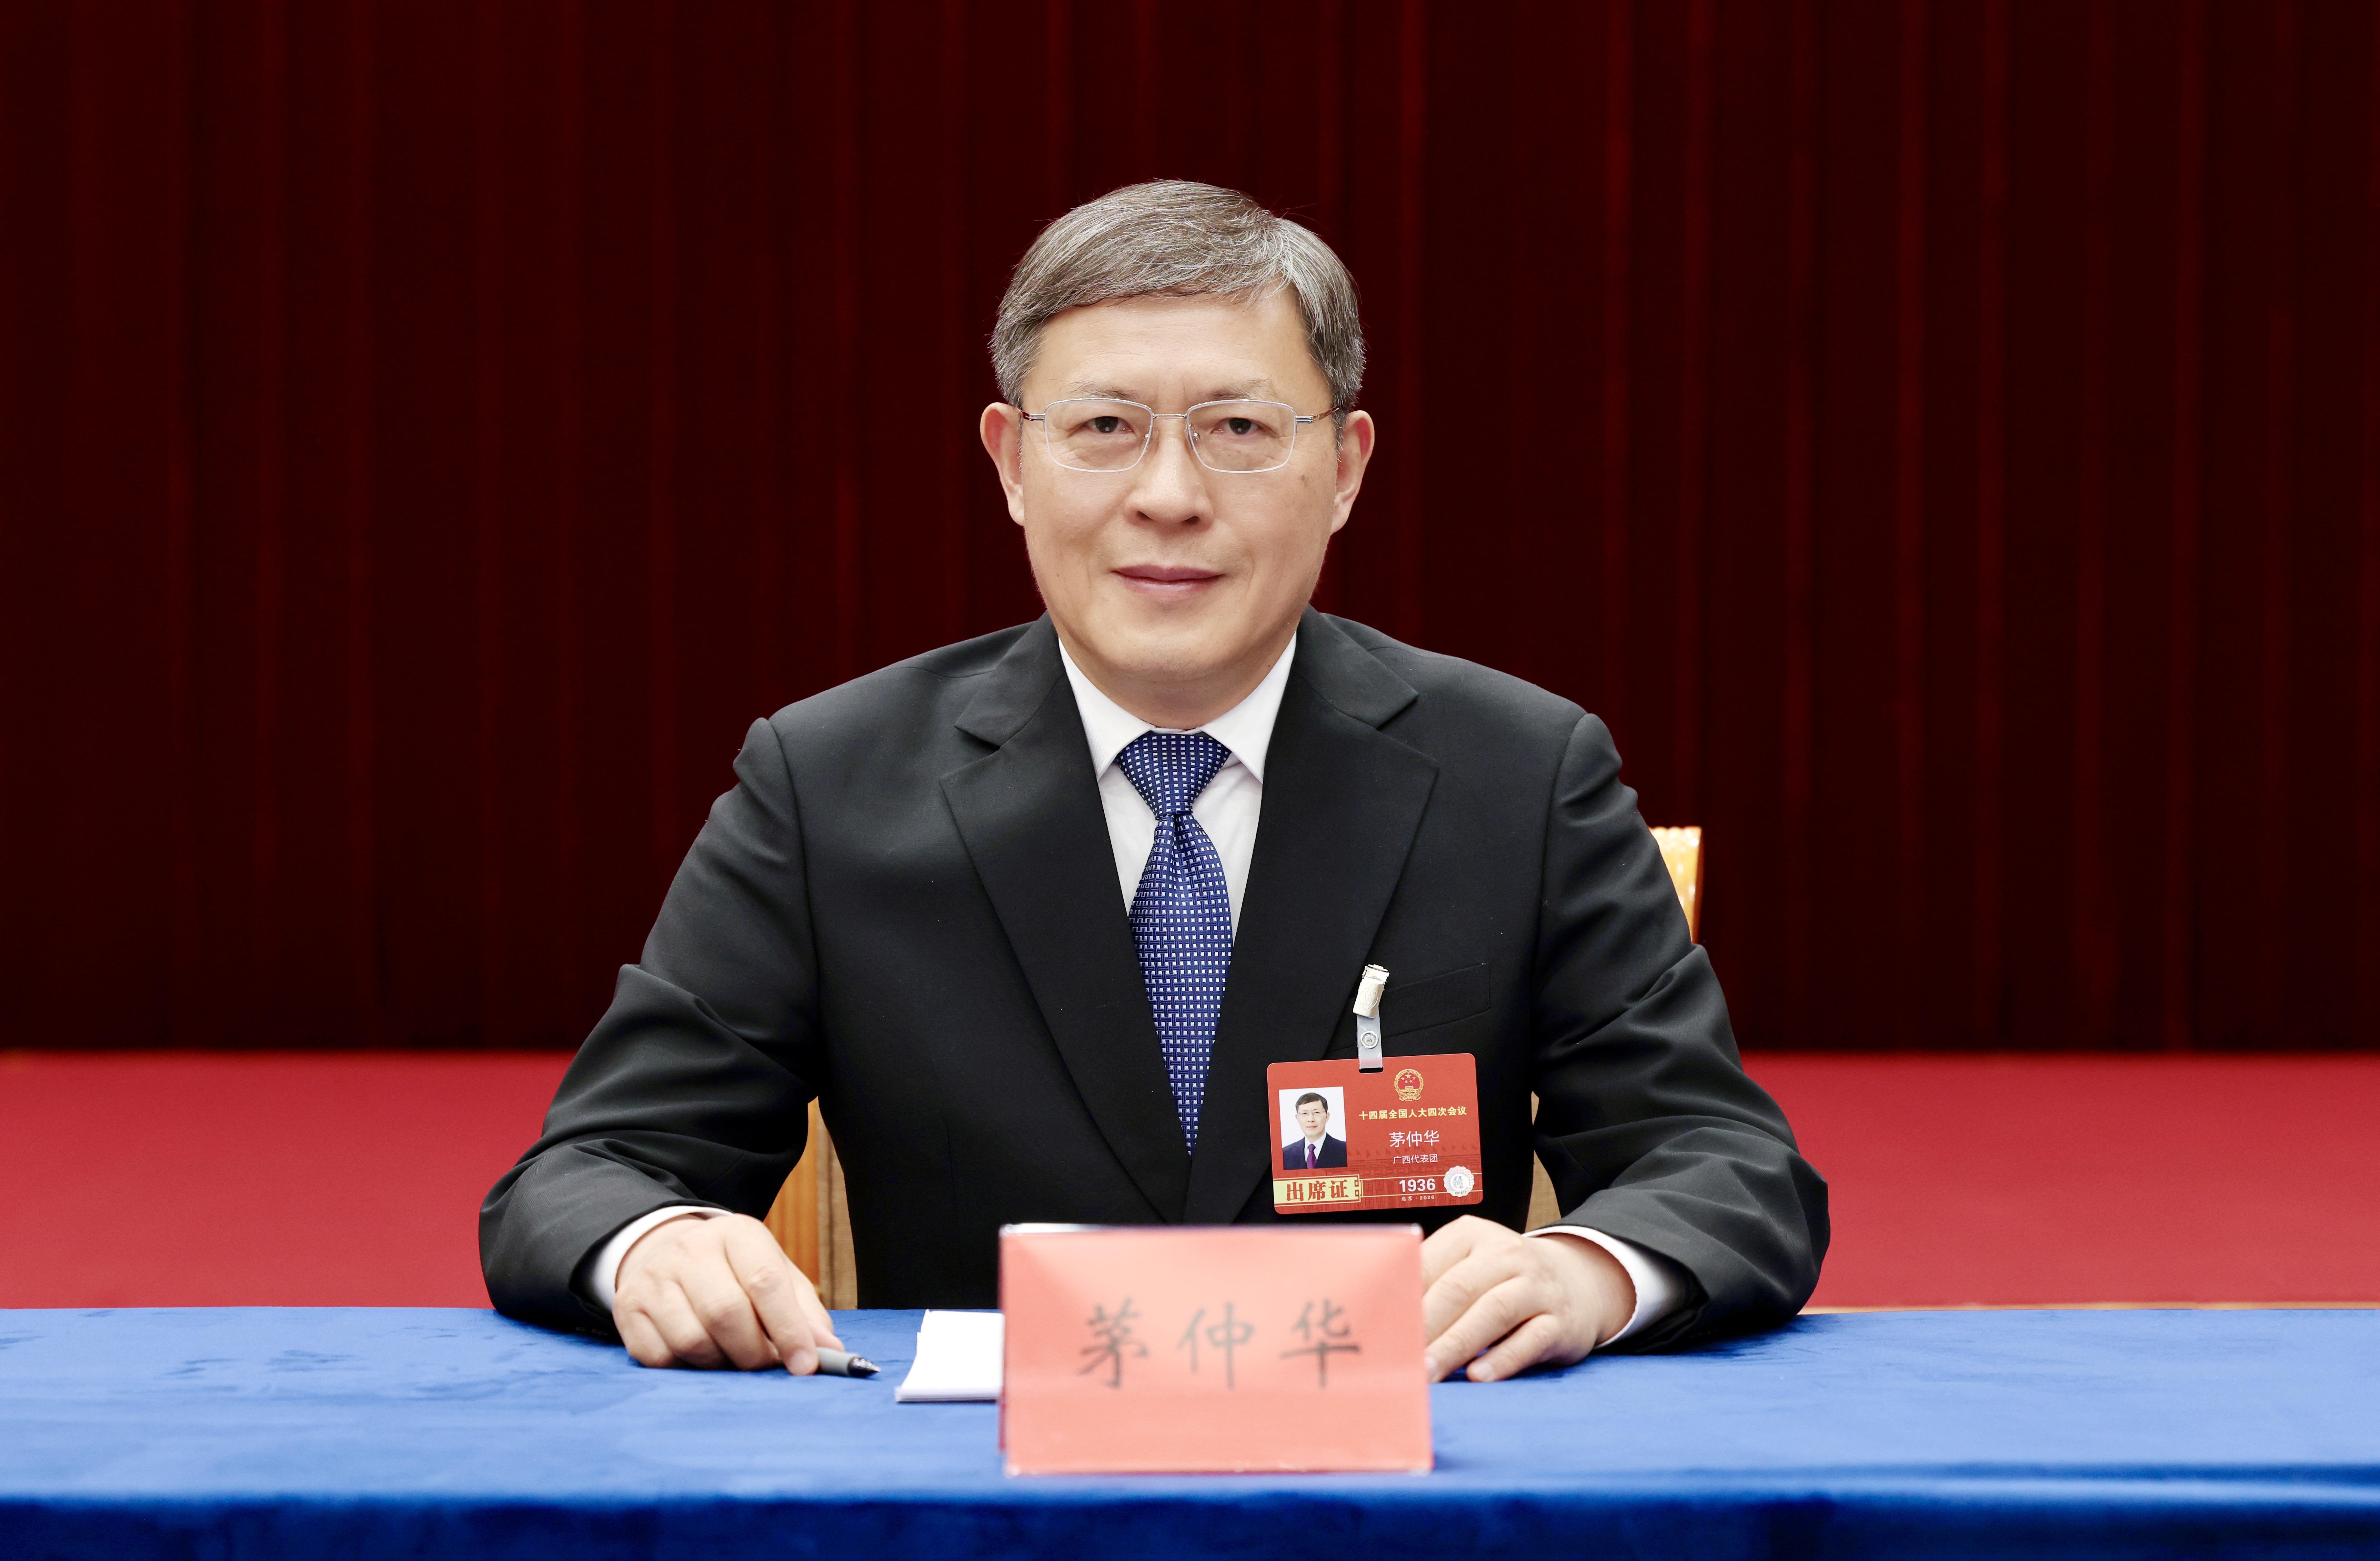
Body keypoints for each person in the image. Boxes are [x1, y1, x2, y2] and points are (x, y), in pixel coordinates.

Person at [481, 180, 1828, 1384]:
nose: (1169, 495)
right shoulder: (826, 784)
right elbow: (587, 1171)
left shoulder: (1518, 774)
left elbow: (1726, 1166)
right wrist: (655, 1240)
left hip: (1396, 1493)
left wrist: (1584, 1271)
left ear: (1345, 468)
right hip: (973, 1502)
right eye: (1105, 428)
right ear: (1011, 463)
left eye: (1239, 426)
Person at [1280, 1092, 1346, 1172]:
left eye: (1317, 1113)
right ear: (1298, 1118)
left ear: (1327, 1116)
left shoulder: (1346, 1151)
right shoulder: (1285, 1154)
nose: (1311, 1119)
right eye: (1305, 1113)